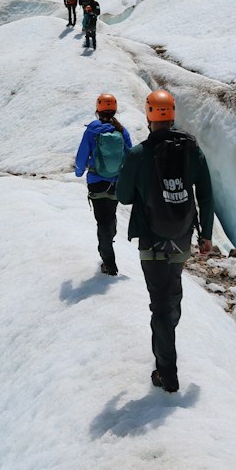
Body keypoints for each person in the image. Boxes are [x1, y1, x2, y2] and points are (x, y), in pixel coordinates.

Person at [114, 89, 214, 394]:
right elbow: (206, 194)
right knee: (171, 296)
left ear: (148, 115)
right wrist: (206, 235)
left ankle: (167, 372)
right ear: (172, 114)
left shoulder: (138, 155)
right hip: (182, 238)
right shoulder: (191, 150)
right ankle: (165, 343)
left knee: (159, 304)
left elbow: (123, 196)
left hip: (151, 241)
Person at [74, 92, 132, 275]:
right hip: (115, 182)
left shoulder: (92, 131)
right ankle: (110, 237)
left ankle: (109, 261)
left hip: (96, 182)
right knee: (110, 216)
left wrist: (78, 171)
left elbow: (83, 154)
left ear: (98, 110)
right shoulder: (122, 131)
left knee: (102, 222)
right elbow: (130, 155)